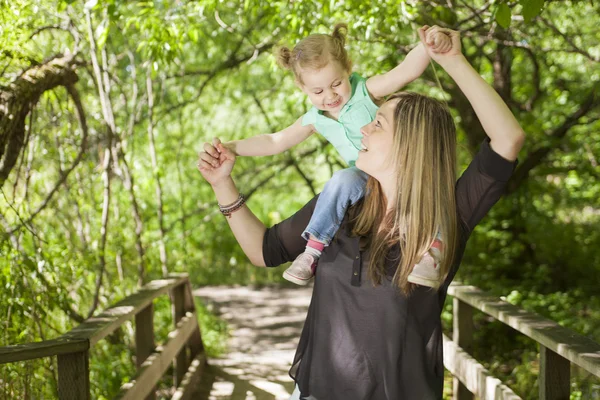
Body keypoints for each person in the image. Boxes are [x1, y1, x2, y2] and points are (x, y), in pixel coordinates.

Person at [197, 25, 525, 399]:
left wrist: (452, 60)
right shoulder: (341, 205)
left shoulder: (449, 213)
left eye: (378, 123)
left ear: (409, 145)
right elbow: (263, 250)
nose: (364, 128)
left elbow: (507, 139)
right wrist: (222, 182)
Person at [198, 23, 452, 288]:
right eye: (318, 91)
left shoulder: (366, 91)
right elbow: (275, 141)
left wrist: (428, 46)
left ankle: (432, 250)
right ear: (302, 87)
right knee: (340, 180)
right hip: (361, 176)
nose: (330, 96)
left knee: (420, 185)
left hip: (392, 167)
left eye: (336, 84)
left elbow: (405, 72)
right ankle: (312, 251)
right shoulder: (314, 119)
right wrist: (232, 147)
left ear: (348, 69)